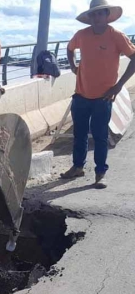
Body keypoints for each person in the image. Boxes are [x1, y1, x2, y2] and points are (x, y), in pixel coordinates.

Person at [60, 0, 135, 189]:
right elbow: (70, 49)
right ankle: (78, 167)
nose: (96, 17)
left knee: (100, 136)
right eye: (93, 14)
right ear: (89, 17)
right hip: (81, 94)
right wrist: (73, 65)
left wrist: (118, 86)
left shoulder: (117, 36)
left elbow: (133, 58)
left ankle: (100, 172)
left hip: (104, 97)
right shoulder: (81, 35)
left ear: (107, 15)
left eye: (100, 13)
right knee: (80, 134)